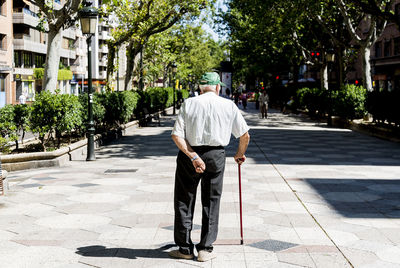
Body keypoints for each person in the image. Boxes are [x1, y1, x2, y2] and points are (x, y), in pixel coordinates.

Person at [169, 72, 250, 262]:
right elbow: (245, 135)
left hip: (190, 155)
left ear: (200, 87)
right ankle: (205, 248)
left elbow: (176, 135)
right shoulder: (228, 105)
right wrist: (239, 154)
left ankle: (184, 247)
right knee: (212, 200)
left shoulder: (189, 103)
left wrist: (194, 156)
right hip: (216, 155)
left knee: (184, 199)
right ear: (218, 87)